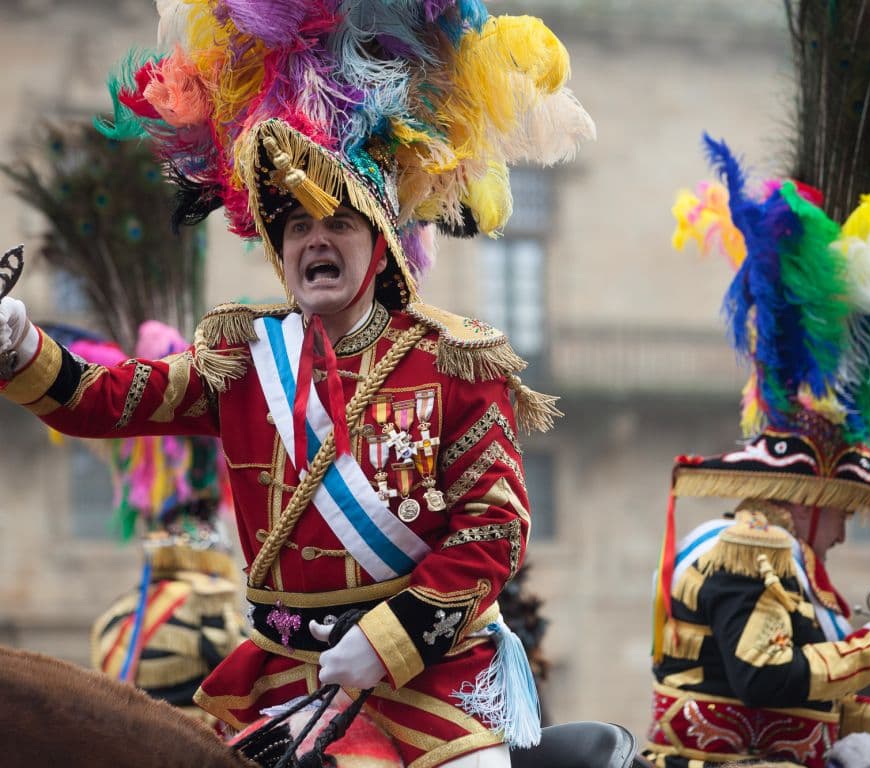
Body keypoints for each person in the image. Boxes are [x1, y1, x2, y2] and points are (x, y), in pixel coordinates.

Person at [0, 3, 594, 767]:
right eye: (294, 229)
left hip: (428, 689)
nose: (314, 240)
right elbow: (109, 399)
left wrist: (389, 641)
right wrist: (20, 350)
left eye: (336, 224)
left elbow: (491, 534)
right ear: (280, 254)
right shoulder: (244, 358)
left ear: (379, 247)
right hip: (282, 680)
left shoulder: (452, 362)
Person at [643, 3, 870, 764]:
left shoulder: (797, 572)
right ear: (806, 493)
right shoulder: (748, 553)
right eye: (842, 508)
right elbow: (764, 677)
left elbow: (800, 696)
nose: (846, 530)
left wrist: (858, 730)